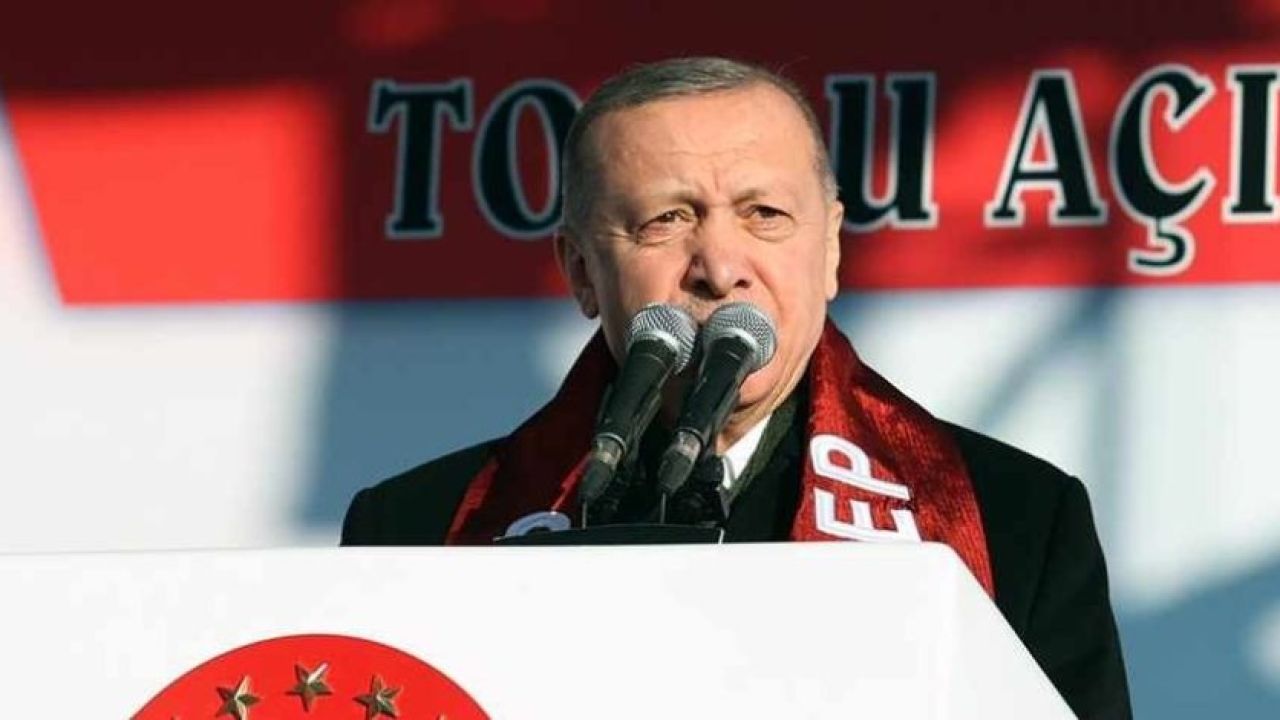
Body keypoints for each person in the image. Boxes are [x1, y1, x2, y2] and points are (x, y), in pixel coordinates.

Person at [342, 57, 1131, 718]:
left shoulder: (1015, 520)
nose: (720, 267)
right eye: (665, 220)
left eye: (765, 214)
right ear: (581, 270)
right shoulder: (417, 527)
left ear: (831, 251)